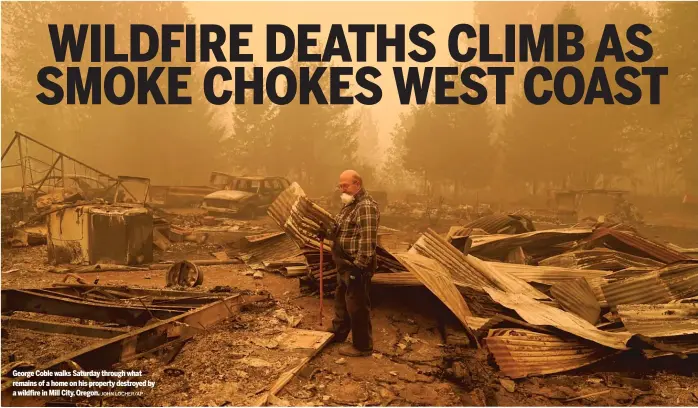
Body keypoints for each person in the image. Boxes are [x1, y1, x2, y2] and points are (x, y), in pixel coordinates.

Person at [323, 169, 380, 357]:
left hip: (356, 265)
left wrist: (359, 267)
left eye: (345, 185)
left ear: (358, 184)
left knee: (357, 306)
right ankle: (339, 333)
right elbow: (341, 230)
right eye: (340, 185)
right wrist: (326, 233)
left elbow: (368, 240)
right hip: (344, 263)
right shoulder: (349, 204)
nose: (342, 189)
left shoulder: (365, 206)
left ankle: (363, 347)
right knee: (341, 299)